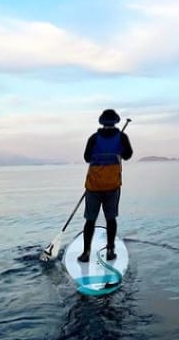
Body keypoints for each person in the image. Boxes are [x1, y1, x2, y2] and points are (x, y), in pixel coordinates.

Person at [78, 108, 133, 262]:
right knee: (111, 219)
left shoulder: (93, 138)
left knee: (90, 220)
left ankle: (86, 253)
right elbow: (128, 155)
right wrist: (117, 150)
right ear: (116, 122)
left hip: (94, 186)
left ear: (101, 123)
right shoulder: (122, 137)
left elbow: (87, 158)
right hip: (112, 186)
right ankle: (110, 251)